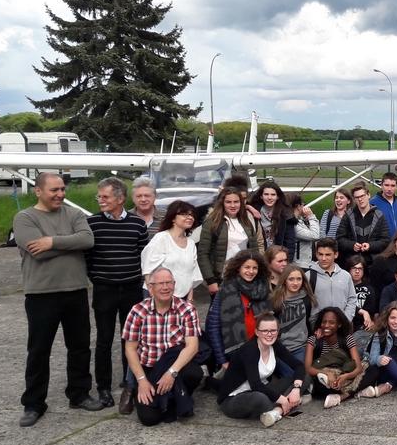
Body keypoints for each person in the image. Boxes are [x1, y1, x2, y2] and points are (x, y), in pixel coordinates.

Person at [14, 173, 101, 427]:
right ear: (38, 191)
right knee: (39, 350)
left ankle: (79, 394)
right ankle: (33, 404)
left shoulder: (73, 214)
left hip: (75, 290)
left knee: (80, 346)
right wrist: (69, 245)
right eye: (54, 190)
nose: (60, 194)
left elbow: (87, 240)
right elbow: (35, 252)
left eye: (62, 189)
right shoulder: (25, 218)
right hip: (41, 294)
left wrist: (51, 241)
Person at [87, 176, 149, 409]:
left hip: (131, 288)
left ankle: (128, 381)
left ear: (120, 198)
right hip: (105, 289)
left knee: (130, 338)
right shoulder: (92, 223)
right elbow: (88, 257)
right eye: (99, 196)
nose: (100, 200)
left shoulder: (137, 224)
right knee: (104, 339)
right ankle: (103, 387)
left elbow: (143, 255)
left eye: (105, 196)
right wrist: (98, 278)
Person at [121, 267, 203, 427]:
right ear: (150, 288)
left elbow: (192, 346)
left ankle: (176, 395)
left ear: (174, 284)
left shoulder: (187, 309)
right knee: (149, 419)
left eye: (169, 283)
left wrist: (171, 373)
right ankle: (173, 397)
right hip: (150, 368)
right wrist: (142, 381)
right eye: (160, 284)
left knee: (194, 373)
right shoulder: (138, 311)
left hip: (176, 366)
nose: (165, 287)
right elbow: (130, 349)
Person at [216, 312, 305, 427]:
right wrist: (282, 399)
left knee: (303, 378)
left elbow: (298, 366)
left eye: (273, 330)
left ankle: (277, 412)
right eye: (265, 331)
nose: (269, 334)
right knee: (262, 400)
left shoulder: (275, 344)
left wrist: (296, 389)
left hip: (262, 389)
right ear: (257, 332)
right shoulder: (250, 350)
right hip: (234, 398)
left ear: (278, 332)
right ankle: (289, 404)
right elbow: (255, 385)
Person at [205, 249, 272, 372]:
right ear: (238, 268)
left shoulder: (264, 290)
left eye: (254, 268)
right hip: (235, 354)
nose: (251, 271)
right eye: (246, 267)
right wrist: (222, 360)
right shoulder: (225, 291)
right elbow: (213, 327)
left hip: (263, 349)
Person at [197, 187, 260, 296]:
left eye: (236, 202)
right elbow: (203, 253)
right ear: (222, 203)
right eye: (228, 202)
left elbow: (254, 251)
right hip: (221, 278)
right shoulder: (212, 222)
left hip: (245, 277)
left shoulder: (246, 222)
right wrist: (210, 280)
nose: (233, 205)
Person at [305, 307, 368, 408]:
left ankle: (343, 396)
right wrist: (327, 373)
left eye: (331, 323)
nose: (326, 325)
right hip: (326, 380)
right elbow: (308, 368)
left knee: (373, 370)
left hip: (345, 375)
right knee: (320, 384)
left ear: (339, 325)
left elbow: (358, 367)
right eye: (324, 322)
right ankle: (354, 391)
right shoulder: (313, 340)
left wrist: (346, 376)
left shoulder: (347, 338)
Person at [141, 200, 202, 301]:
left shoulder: (191, 243)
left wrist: (189, 299)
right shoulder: (161, 238)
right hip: (158, 297)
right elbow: (148, 269)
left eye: (191, 215)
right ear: (173, 218)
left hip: (182, 298)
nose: (190, 217)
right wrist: (153, 296)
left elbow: (191, 274)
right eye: (184, 214)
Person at [271, 264, 319, 362]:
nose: (295, 283)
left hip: (300, 346)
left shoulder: (307, 299)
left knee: (297, 372)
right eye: (291, 279)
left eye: (299, 279)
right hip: (278, 347)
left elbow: (312, 322)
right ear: (285, 280)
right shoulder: (275, 300)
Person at [337, 182, 390, 267]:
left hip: (373, 262)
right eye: (357, 197)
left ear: (368, 195)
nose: (360, 199)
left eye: (362, 196)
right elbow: (339, 238)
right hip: (352, 263)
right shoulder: (348, 215)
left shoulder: (379, 215)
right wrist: (352, 245)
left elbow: (385, 240)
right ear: (354, 199)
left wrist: (370, 246)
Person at [306, 237, 358, 320]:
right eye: (320, 254)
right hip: (317, 327)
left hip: (342, 326)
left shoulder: (346, 276)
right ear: (316, 254)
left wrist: (346, 319)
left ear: (336, 254)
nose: (323, 258)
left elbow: (352, 299)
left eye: (328, 255)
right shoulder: (308, 276)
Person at [248, 181, 297, 252]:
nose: (269, 197)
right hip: (258, 254)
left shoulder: (285, 213)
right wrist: (248, 207)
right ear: (261, 196)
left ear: (278, 197)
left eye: (273, 195)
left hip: (277, 256)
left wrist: (287, 260)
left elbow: (289, 241)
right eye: (266, 194)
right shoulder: (254, 211)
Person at [345, 255, 376, 345]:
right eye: (354, 268)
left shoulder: (369, 289)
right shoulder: (343, 286)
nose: (357, 271)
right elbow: (341, 305)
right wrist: (361, 311)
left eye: (360, 269)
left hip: (362, 327)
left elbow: (371, 312)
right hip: (345, 323)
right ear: (349, 269)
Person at [370, 172, 397, 238]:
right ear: (381, 185)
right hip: (382, 245)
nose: (389, 189)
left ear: (396, 187)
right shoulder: (373, 203)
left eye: (393, 186)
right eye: (386, 185)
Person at [287, 192, 322, 266]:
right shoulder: (292, 224)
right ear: (298, 206)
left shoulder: (299, 220)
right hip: (299, 264)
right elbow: (315, 235)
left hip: (305, 263)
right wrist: (311, 216)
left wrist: (307, 220)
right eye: (303, 205)